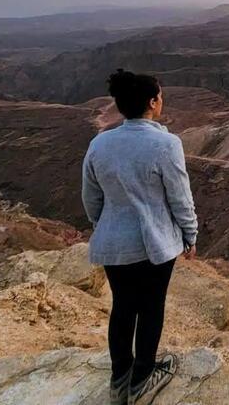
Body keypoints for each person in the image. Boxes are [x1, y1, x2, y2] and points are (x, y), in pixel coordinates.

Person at [81, 69, 198, 405]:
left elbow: (91, 197)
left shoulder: (99, 143)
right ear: (152, 102)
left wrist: (104, 226)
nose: (161, 101)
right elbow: (180, 196)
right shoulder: (166, 143)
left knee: (122, 307)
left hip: (113, 243)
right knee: (151, 308)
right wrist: (190, 234)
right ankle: (143, 378)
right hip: (155, 245)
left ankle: (119, 379)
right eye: (159, 96)